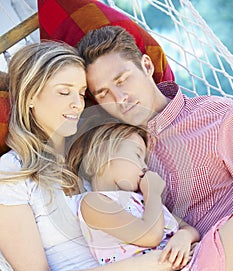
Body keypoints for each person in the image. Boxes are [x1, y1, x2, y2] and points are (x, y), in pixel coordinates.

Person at [0, 41, 198, 271]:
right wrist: (139, 266)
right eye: (64, 92)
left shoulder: (93, 156)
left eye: (81, 93)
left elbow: (160, 215)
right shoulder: (12, 174)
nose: (78, 105)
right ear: (30, 97)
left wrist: (184, 237)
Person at [67, 121, 232, 271]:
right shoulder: (94, 203)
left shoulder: (142, 200)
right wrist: (153, 193)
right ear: (102, 153)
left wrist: (182, 238)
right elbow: (150, 236)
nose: (144, 168)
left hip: (193, 267)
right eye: (137, 156)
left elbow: (188, 229)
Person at [76, 25, 233, 238]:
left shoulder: (218, 116)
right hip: (180, 264)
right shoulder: (113, 152)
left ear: (147, 66)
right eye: (104, 94)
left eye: (122, 80)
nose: (119, 98)